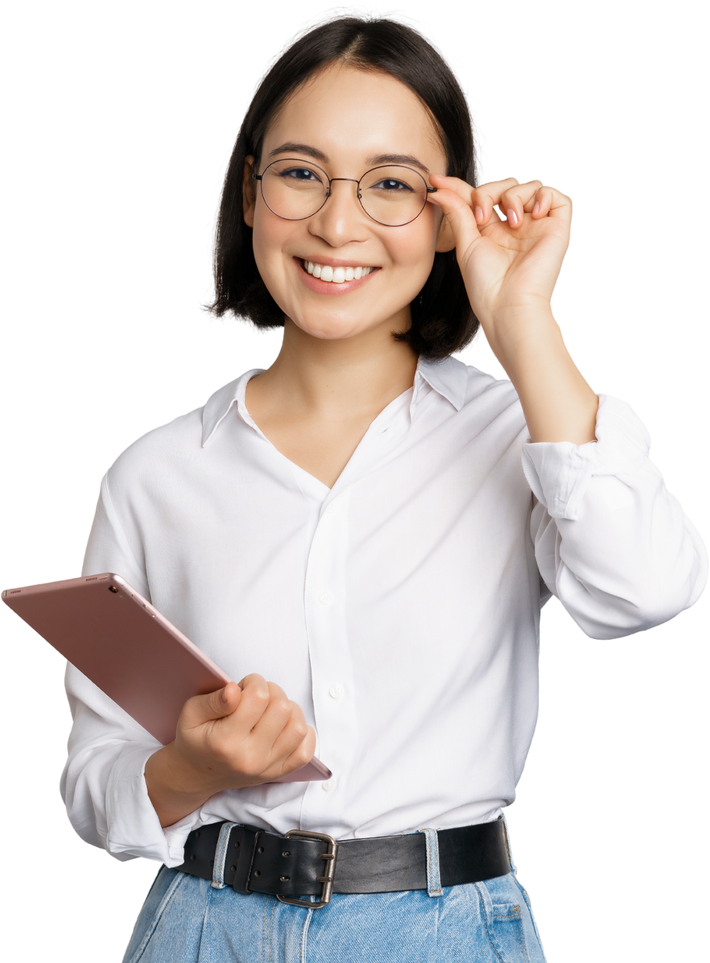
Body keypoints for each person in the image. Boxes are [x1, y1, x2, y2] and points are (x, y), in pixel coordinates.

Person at [56, 5, 709, 962]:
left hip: (446, 931)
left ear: (451, 215)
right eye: (300, 173)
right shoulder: (154, 475)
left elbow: (648, 591)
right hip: (200, 926)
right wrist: (191, 766)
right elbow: (91, 781)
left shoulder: (527, 429)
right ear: (248, 193)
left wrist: (523, 321)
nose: (336, 221)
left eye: (391, 185)